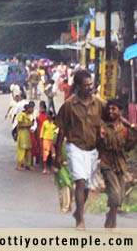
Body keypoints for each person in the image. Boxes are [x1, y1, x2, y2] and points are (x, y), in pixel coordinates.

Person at [54, 69, 105, 230]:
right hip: (74, 147)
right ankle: (80, 220)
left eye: (91, 84)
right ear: (77, 86)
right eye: (86, 85)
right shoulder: (69, 105)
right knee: (80, 181)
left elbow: (113, 115)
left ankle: (79, 210)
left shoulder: (99, 103)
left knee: (88, 184)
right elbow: (61, 130)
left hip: (92, 149)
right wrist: (57, 155)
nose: (90, 87)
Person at [98, 99, 137, 229]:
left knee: (120, 196)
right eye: (109, 109)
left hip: (120, 164)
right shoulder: (103, 127)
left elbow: (128, 147)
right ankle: (113, 223)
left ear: (120, 111)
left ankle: (109, 216)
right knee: (114, 194)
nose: (111, 112)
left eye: (114, 109)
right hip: (107, 163)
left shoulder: (125, 129)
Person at [16, 102, 35, 171]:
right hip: (22, 135)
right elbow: (20, 125)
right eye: (31, 108)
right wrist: (28, 125)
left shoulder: (29, 116)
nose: (32, 110)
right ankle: (19, 165)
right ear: (28, 109)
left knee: (28, 150)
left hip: (27, 135)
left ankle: (28, 164)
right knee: (22, 150)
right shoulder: (22, 115)